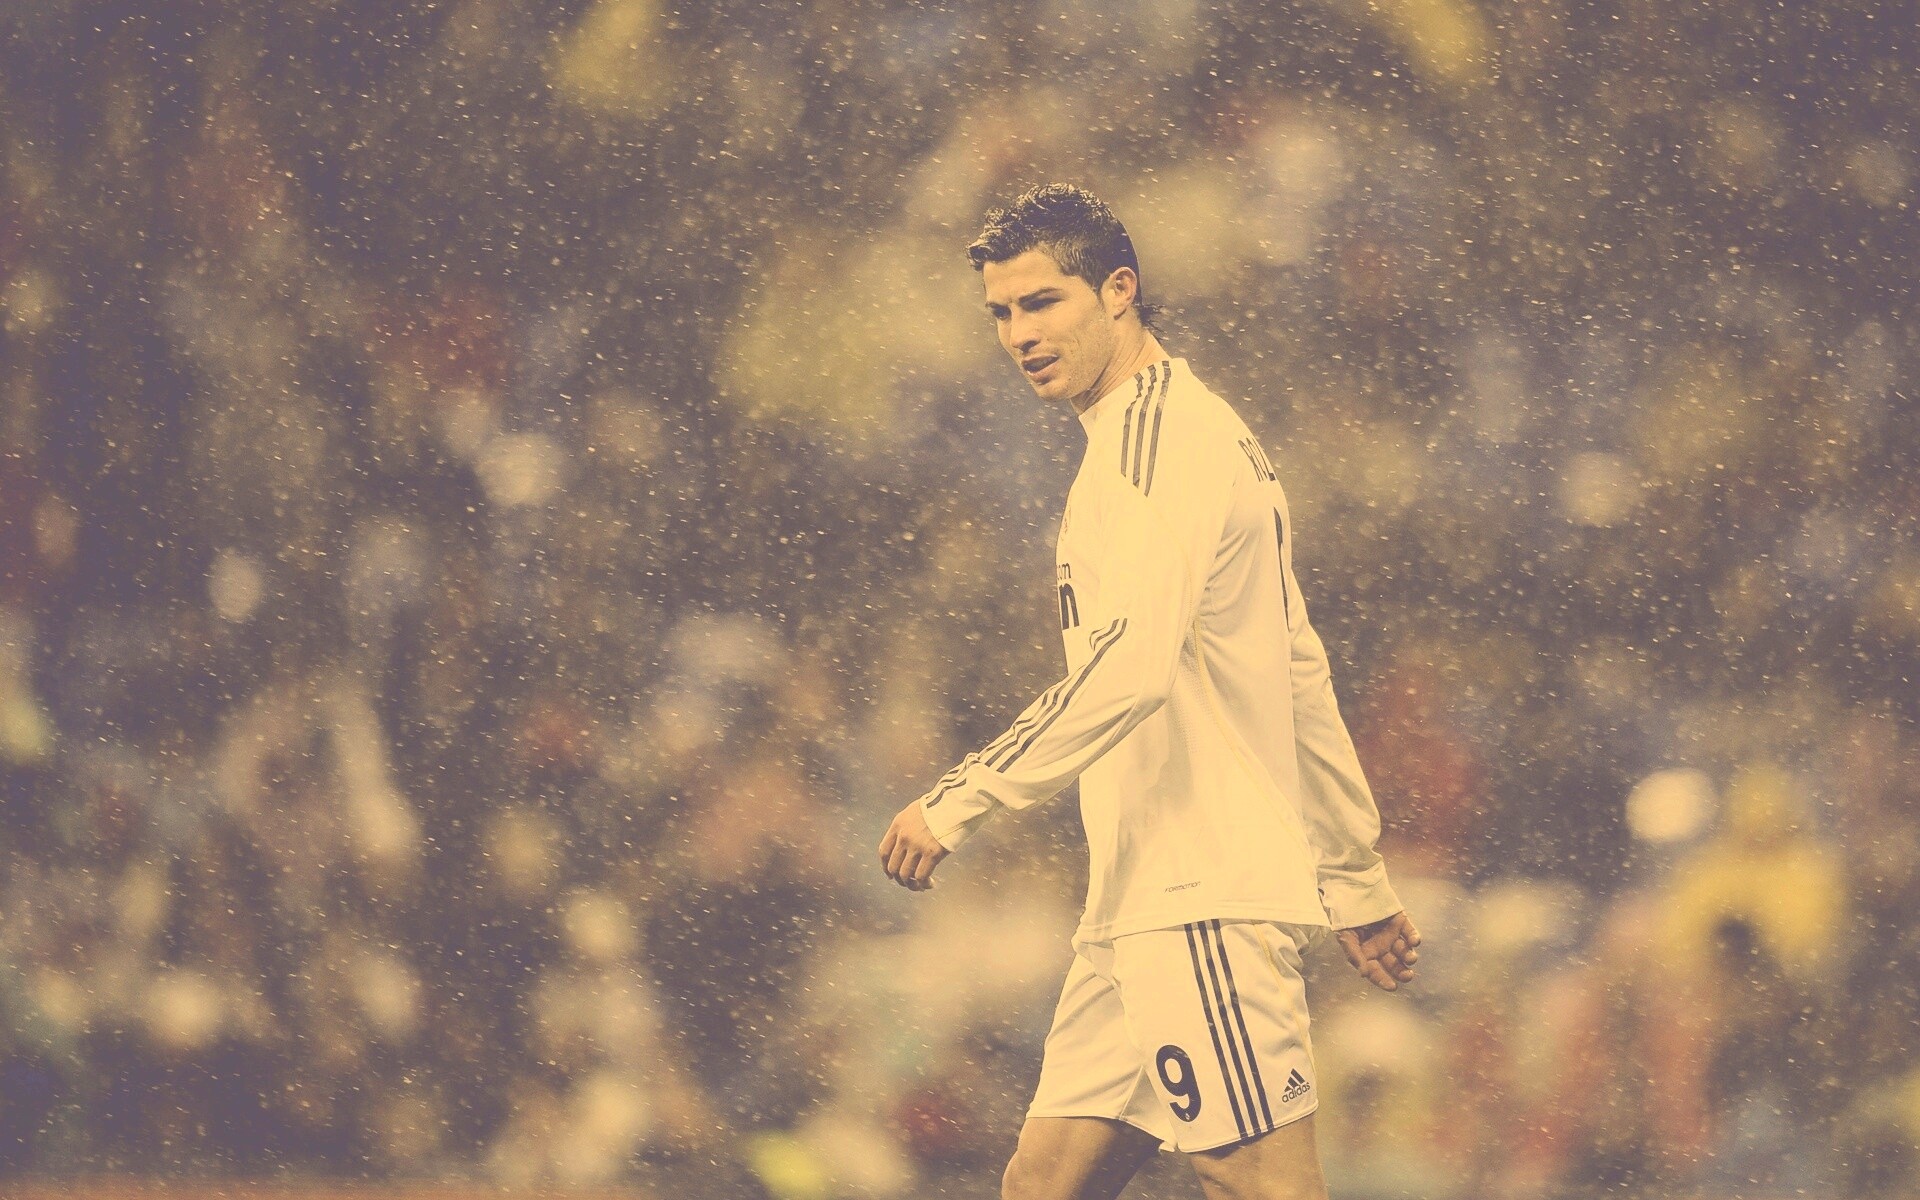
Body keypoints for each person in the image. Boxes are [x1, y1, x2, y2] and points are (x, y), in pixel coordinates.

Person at [877, 183, 1421, 1200]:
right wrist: (1350, 874)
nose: (1019, 335)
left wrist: (958, 800)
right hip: (1141, 903)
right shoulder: (1190, 433)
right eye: (1001, 313)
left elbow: (1125, 671)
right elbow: (1297, 671)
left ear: (1119, 290)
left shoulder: (1153, 447)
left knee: (1261, 1184)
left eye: (1044, 302)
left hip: (1197, 898)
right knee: (1042, 1184)